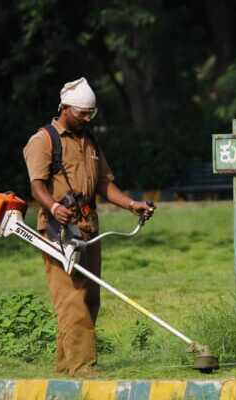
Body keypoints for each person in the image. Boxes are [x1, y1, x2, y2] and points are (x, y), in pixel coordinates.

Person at [23, 77, 154, 376]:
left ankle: (65, 366)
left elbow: (105, 184)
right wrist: (54, 206)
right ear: (66, 108)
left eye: (91, 113)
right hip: (57, 232)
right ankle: (83, 368)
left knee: (89, 298)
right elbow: (36, 186)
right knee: (71, 299)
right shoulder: (44, 140)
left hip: (88, 229)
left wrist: (132, 204)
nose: (87, 118)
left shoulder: (90, 141)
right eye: (83, 113)